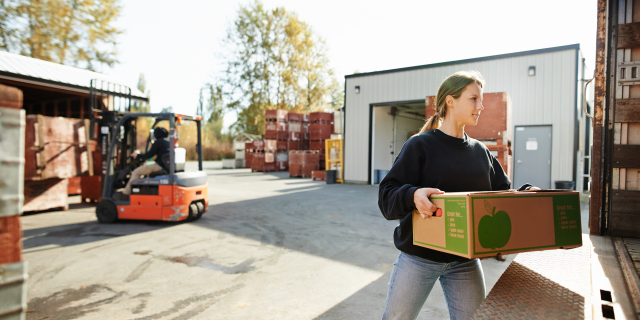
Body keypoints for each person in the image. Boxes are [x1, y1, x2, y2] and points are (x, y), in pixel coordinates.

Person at [378, 71, 510, 320]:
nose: (480, 106)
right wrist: (413, 194)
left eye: (480, 100)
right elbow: (386, 196)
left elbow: (504, 193)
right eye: (474, 99)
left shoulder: (481, 153)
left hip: (465, 261)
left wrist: (529, 194)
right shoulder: (420, 145)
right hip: (419, 258)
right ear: (451, 100)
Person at [121, 127, 170, 197]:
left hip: (160, 165)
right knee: (145, 167)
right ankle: (138, 190)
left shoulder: (158, 142)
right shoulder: (168, 141)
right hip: (165, 165)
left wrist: (137, 155)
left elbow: (148, 155)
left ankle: (125, 194)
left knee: (136, 172)